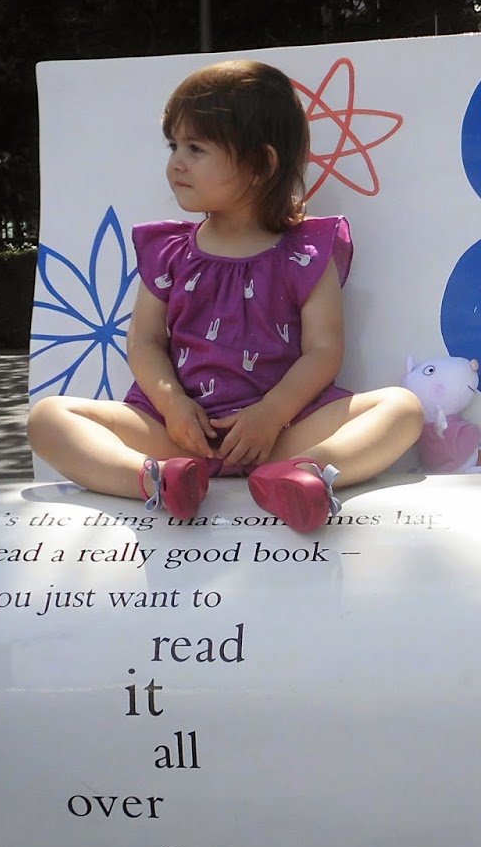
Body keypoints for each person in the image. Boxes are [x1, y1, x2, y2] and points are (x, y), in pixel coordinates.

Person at [28, 60, 423, 533]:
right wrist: (173, 406)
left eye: (196, 148)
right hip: (178, 434)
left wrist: (271, 415)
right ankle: (158, 480)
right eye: (174, 146)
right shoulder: (169, 251)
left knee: (402, 409)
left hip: (282, 431)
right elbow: (145, 341)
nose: (176, 163)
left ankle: (302, 472)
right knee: (49, 417)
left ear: (261, 165)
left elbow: (323, 350)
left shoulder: (306, 252)